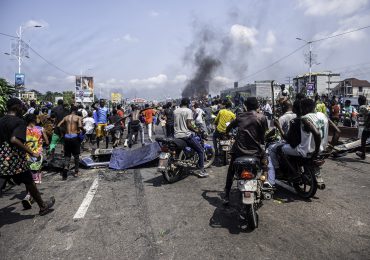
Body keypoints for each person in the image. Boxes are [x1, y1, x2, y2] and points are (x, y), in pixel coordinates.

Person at [0, 98, 55, 215]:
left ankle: (42, 205)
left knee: (5, 180)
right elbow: (14, 140)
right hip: (15, 158)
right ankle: (43, 206)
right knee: (29, 181)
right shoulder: (19, 122)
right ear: (15, 107)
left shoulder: (1, 120)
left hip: (2, 158)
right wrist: (32, 153)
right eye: (21, 106)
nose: (22, 109)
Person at [268, 98, 329, 185]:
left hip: (304, 150)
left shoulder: (300, 120)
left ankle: (280, 171)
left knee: (277, 149)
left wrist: (278, 126)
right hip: (319, 149)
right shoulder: (321, 116)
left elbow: (289, 139)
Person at [223, 97, 268, 204]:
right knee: (265, 163)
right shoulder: (261, 117)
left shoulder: (239, 117)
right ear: (258, 106)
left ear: (245, 106)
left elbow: (228, 128)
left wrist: (227, 134)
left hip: (239, 150)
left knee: (231, 170)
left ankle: (226, 194)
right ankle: (265, 181)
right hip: (256, 151)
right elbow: (264, 134)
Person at [174, 98, 208, 177]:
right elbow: (189, 125)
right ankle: (201, 170)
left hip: (176, 135)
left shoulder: (175, 111)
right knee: (201, 150)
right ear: (188, 104)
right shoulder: (188, 111)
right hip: (186, 135)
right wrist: (197, 130)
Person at [58, 106, 83, 180]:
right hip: (74, 137)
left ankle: (66, 168)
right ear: (76, 111)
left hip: (66, 137)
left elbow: (58, 125)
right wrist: (83, 130)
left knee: (67, 156)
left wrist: (63, 133)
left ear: (70, 110)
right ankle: (76, 172)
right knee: (76, 156)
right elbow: (80, 126)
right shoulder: (78, 117)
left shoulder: (66, 117)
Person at [356, 95, 370, 159]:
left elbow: (366, 114)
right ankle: (363, 154)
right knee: (363, 139)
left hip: (368, 127)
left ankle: (363, 154)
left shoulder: (362, 107)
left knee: (363, 140)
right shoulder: (368, 106)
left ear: (360, 101)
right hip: (368, 126)